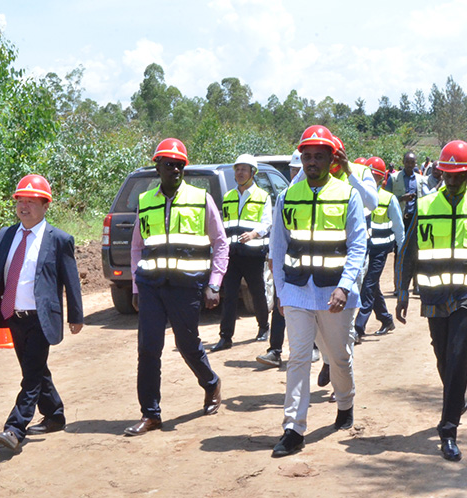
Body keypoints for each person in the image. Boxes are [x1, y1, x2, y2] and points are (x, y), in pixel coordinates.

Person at [0, 174, 83, 450]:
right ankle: (55, 415)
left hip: (42, 318)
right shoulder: (7, 235)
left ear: (45, 205)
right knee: (35, 369)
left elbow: (71, 281)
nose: (24, 206)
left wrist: (76, 316)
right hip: (13, 315)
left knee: (31, 375)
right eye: (20, 201)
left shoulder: (59, 239)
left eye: (32, 201)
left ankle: (14, 428)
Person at [396, 140, 467, 462]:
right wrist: (403, 292)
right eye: (448, 174)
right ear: (441, 173)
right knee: (443, 356)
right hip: (433, 294)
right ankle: (455, 400)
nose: (453, 180)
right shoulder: (426, 205)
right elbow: (408, 252)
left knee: (458, 355)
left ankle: (448, 429)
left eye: (460, 175)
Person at [270, 125, 367, 457]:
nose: (311, 162)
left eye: (318, 156)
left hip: (334, 294)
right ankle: (293, 429)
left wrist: (344, 286)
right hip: (297, 290)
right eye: (306, 156)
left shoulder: (347, 195)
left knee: (339, 356)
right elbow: (277, 246)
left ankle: (345, 402)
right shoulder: (287, 197)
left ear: (331, 159)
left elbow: (358, 247)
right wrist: (280, 292)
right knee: (298, 358)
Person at [125, 138, 227, 437]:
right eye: (169, 164)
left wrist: (214, 283)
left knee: (187, 343)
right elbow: (136, 247)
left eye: (180, 164)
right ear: (157, 166)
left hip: (186, 286)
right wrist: (135, 286)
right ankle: (150, 414)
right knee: (148, 349)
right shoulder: (145, 202)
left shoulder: (201, 198)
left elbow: (220, 244)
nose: (176, 169)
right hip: (150, 286)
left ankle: (211, 383)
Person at [257, 151, 321, 367]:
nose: (295, 174)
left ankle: (316, 349)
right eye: (293, 170)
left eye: (297, 170)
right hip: (290, 264)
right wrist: (273, 257)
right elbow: (278, 231)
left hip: (316, 266)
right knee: (280, 304)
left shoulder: (319, 195)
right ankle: (275, 350)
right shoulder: (287, 195)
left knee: (313, 309)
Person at [210, 154, 272, 352]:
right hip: (232, 255)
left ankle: (263, 328)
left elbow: (267, 222)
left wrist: (254, 234)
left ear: (253, 173)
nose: (239, 173)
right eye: (237, 169)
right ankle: (225, 337)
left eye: (244, 169)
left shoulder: (263, 196)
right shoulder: (228, 197)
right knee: (229, 295)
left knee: (257, 293)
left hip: (253, 255)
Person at [354, 156, 404, 339]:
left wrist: (402, 251)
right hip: (364, 249)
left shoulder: (389, 199)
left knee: (368, 286)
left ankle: (358, 329)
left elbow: (399, 228)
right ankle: (386, 319)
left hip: (380, 251)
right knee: (372, 287)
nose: (371, 181)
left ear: (382, 179)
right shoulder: (356, 196)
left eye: (375, 177)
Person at [388, 151, 431, 302]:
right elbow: (387, 197)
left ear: (415, 163)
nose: (410, 165)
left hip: (415, 220)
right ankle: (398, 286)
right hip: (399, 220)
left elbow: (426, 197)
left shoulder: (420, 179)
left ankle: (416, 285)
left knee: (417, 253)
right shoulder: (394, 178)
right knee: (399, 253)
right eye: (407, 162)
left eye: (412, 162)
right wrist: (401, 198)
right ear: (403, 162)